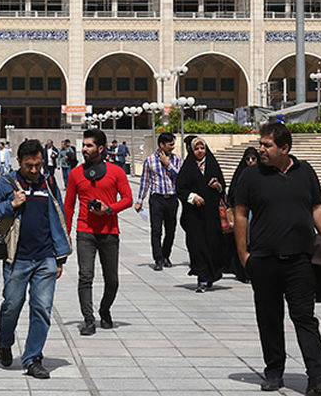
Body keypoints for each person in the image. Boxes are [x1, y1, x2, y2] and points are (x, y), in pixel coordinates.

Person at [233, 121, 321, 395]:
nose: (261, 149)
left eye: (267, 145)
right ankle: (273, 372)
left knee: (305, 317)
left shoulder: (305, 171)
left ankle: (318, 375)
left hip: (300, 260)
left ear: (284, 148)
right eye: (260, 144)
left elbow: (317, 207)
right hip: (263, 260)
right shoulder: (251, 175)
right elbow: (240, 214)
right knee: (269, 318)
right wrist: (243, 255)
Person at [0, 139, 71, 380]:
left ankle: (32, 358)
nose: (34, 170)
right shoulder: (5, 184)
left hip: (45, 257)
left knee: (41, 308)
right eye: (29, 165)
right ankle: (5, 342)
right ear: (18, 161)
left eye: (38, 165)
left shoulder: (48, 182)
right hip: (17, 259)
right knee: (12, 305)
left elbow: (58, 217)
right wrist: (11, 204)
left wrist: (60, 257)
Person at [63, 128, 132, 336]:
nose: (84, 149)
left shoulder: (116, 172)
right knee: (85, 276)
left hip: (110, 232)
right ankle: (88, 320)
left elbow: (128, 199)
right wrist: (66, 234)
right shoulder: (75, 174)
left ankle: (104, 309)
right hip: (85, 232)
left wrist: (109, 209)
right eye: (83, 145)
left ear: (101, 148)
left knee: (112, 280)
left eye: (89, 145)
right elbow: (68, 206)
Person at [175, 135, 227, 292]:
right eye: (196, 148)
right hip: (194, 216)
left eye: (202, 148)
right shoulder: (188, 167)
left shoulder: (212, 165)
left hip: (211, 215)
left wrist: (218, 186)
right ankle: (202, 278)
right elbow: (180, 189)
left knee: (212, 244)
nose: (199, 151)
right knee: (198, 246)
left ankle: (211, 275)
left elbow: (222, 187)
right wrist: (193, 197)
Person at [135, 131, 182, 271]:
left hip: (172, 198)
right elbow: (145, 181)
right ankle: (158, 259)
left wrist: (168, 164)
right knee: (156, 230)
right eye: (170, 144)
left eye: (173, 144)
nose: (172, 147)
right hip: (157, 199)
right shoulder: (150, 160)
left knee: (171, 230)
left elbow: (180, 178)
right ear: (161, 145)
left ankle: (166, 255)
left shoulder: (177, 159)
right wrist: (140, 200)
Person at [225, 146, 260, 282]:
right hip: (243, 213)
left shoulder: (262, 174)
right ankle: (243, 272)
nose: (250, 161)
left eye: (253, 159)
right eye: (248, 159)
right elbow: (233, 193)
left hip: (257, 213)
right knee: (243, 242)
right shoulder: (241, 174)